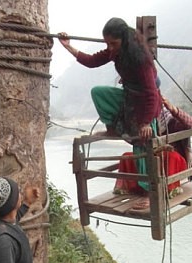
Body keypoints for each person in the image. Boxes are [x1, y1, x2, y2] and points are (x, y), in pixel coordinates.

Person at [58, 17, 162, 208]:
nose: (110, 48)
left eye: (113, 43)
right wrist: (67, 46)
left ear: (124, 39)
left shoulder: (141, 58)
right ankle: (113, 129)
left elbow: (151, 93)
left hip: (146, 104)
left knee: (141, 143)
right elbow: (91, 61)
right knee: (99, 93)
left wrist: (146, 122)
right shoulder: (116, 52)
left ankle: (150, 194)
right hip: (130, 96)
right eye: (108, 44)